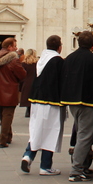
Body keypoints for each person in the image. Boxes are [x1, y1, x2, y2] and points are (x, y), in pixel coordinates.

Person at [62, 30, 93, 181]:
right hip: (89, 102)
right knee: (84, 136)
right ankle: (76, 170)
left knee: (81, 132)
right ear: (92, 44)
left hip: (72, 101)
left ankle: (82, 167)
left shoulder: (70, 58)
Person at [22, 35, 65, 175]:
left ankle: (28, 155)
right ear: (59, 47)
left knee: (37, 129)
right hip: (51, 101)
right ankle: (45, 166)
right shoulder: (57, 61)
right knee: (50, 131)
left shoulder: (41, 60)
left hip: (36, 100)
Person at [0, 37, 26, 148]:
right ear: (9, 47)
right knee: (8, 115)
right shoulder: (13, 60)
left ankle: (8, 136)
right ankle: (2, 140)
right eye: (15, 46)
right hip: (10, 90)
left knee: (4, 113)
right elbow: (22, 74)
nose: (16, 48)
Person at [19, 48, 37, 118]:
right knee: (33, 98)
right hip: (34, 82)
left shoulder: (23, 64)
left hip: (26, 83)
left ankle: (28, 110)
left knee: (27, 96)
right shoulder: (37, 63)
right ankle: (32, 111)